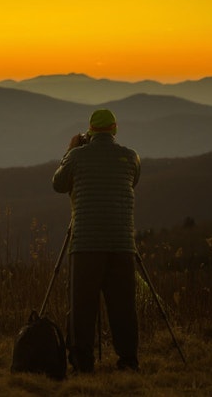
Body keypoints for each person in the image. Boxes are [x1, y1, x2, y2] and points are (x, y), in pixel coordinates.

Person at [52, 109, 141, 373]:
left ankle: (82, 362)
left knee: (82, 306)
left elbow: (58, 183)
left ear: (89, 132)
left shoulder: (77, 156)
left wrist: (70, 151)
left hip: (86, 244)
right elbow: (132, 182)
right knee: (123, 305)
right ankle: (128, 361)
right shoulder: (130, 157)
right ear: (114, 130)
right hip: (122, 242)